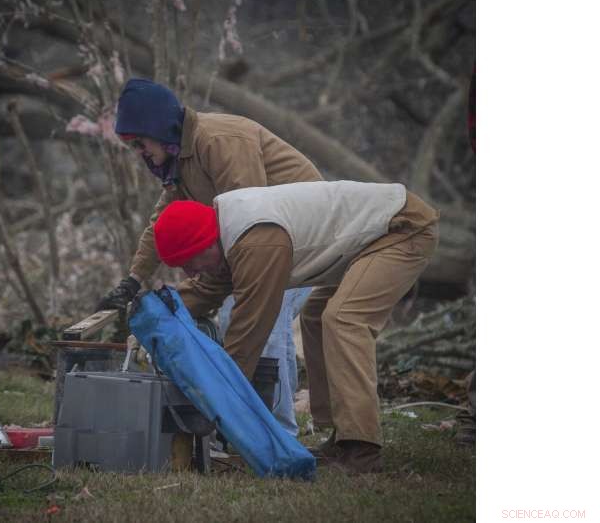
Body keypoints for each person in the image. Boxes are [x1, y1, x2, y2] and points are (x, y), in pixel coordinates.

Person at [151, 181, 439, 474]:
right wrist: (151, 318)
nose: (190, 272)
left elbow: (249, 330)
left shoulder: (256, 241)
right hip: (371, 237)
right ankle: (342, 436)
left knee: (343, 319)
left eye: (188, 262)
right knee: (316, 315)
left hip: (401, 228)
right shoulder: (227, 232)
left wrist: (219, 398)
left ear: (205, 241)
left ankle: (362, 450)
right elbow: (204, 290)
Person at [96, 78, 318, 433]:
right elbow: (162, 224)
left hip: (301, 235)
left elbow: (250, 218)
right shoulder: (181, 163)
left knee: (254, 319)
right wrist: (133, 280)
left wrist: (214, 284)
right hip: (268, 238)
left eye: (140, 143)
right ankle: (257, 425)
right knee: (237, 316)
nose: (139, 152)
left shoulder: (218, 141)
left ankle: (272, 434)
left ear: (159, 128)